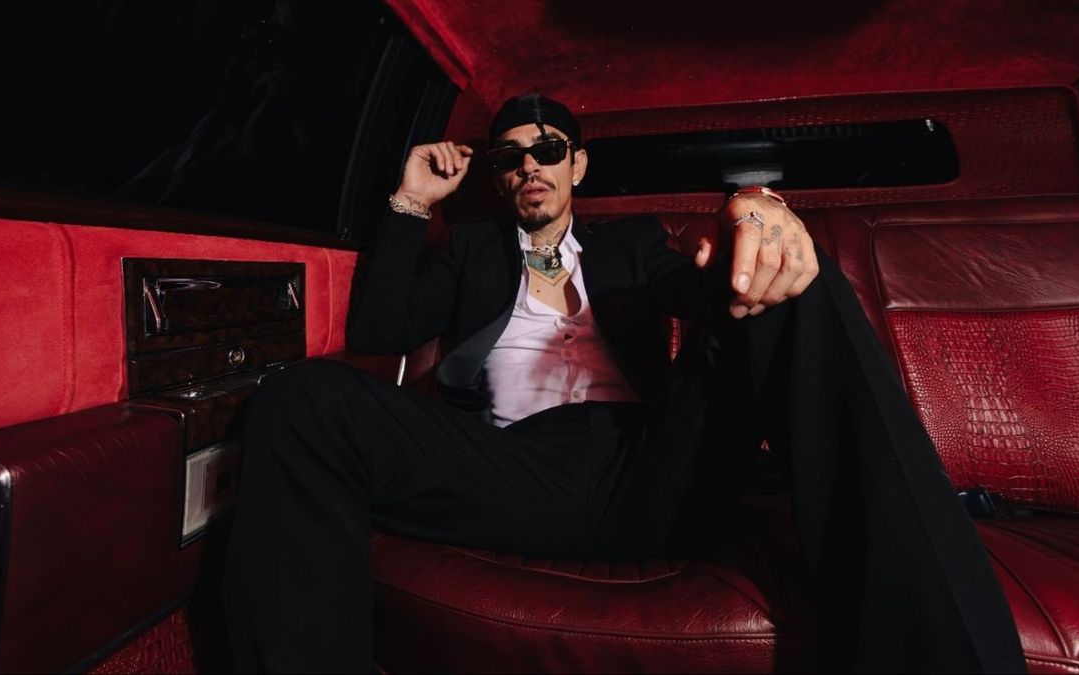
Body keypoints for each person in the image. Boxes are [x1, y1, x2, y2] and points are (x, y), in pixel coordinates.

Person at [224, 94, 1025, 673]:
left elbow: (700, 291)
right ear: (498, 179)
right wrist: (409, 200)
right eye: (509, 157)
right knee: (301, 398)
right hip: (506, 464)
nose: (529, 166)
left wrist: (757, 221)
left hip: (649, 467)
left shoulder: (631, 242)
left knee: (788, 282)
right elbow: (376, 332)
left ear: (576, 164)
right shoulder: (470, 251)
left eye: (547, 150)